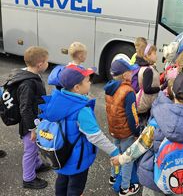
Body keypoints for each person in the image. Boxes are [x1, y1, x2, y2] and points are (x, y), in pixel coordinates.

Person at [111, 72, 183, 196]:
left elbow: (140, 145)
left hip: (154, 177)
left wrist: (121, 159)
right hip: (179, 178)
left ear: (172, 91)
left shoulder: (158, 120)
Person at [39, 65, 120, 195]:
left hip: (59, 154)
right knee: (75, 188)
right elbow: (96, 136)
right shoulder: (82, 110)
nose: (90, 82)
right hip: (77, 160)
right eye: (88, 80)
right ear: (77, 87)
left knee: (62, 180)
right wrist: (114, 151)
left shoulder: (56, 99)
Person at [11, 46, 51, 189]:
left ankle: (38, 164)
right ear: (40, 64)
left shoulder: (31, 74)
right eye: (47, 61)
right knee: (30, 149)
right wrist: (33, 128)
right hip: (29, 124)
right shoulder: (27, 83)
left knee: (35, 146)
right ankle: (28, 178)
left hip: (34, 120)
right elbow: (25, 108)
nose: (48, 64)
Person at [104, 58, 141, 195]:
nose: (133, 73)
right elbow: (133, 115)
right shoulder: (128, 91)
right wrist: (137, 132)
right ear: (125, 75)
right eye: (131, 71)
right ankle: (125, 188)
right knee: (127, 158)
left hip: (114, 129)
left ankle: (113, 176)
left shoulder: (109, 88)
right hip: (126, 132)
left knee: (115, 153)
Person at [136, 44, 160, 127]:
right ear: (148, 55)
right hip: (145, 104)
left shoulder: (146, 67)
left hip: (144, 102)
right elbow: (147, 89)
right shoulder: (148, 70)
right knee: (143, 125)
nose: (156, 55)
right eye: (154, 53)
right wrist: (159, 88)